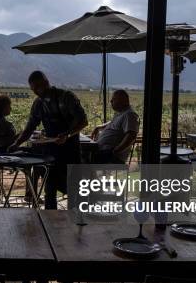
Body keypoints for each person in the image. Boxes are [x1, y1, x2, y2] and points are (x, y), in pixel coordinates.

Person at [9, 71, 88, 209]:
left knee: (73, 189)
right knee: (49, 189)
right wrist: (17, 143)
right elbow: (30, 127)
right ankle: (50, 221)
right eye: (33, 90)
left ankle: (75, 223)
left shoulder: (66, 97)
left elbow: (83, 121)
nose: (36, 93)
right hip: (51, 152)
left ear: (46, 83)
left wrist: (67, 135)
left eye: (37, 88)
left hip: (70, 150)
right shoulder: (39, 103)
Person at [90, 90, 139, 164]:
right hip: (104, 151)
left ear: (123, 101)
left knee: (83, 156)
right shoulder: (121, 113)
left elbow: (131, 135)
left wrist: (115, 151)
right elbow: (113, 123)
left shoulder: (129, 115)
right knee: (83, 152)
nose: (111, 101)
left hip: (112, 156)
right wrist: (98, 127)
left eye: (114, 99)